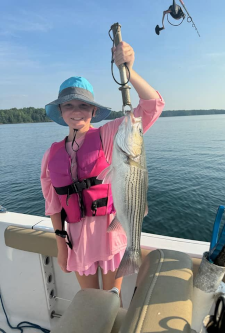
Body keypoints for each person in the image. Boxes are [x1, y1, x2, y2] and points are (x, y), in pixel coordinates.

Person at [40, 41, 165, 295]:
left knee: (111, 301)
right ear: (60, 111)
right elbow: (53, 205)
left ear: (94, 110)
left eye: (83, 105)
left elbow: (152, 105)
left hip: (110, 233)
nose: (76, 111)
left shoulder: (109, 135)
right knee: (89, 300)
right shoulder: (51, 154)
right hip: (77, 240)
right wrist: (61, 246)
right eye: (69, 105)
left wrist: (129, 69)